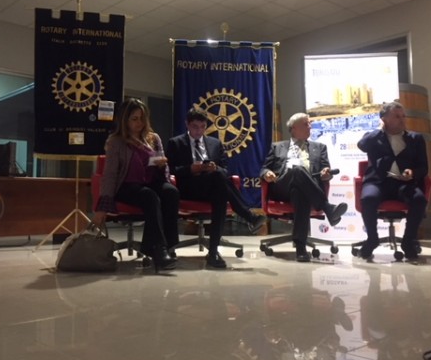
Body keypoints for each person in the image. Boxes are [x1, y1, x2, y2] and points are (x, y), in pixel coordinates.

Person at [166, 108, 266, 269]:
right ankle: (247, 215)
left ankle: (213, 252)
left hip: (211, 186)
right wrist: (191, 168)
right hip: (188, 188)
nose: (198, 131)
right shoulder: (175, 143)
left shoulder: (215, 143)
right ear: (187, 124)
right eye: (194, 127)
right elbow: (170, 170)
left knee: (219, 187)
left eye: (202, 127)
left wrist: (214, 168)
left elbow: (225, 170)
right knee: (220, 185)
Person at [95, 98, 179, 271]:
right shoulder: (116, 141)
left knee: (171, 192)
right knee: (150, 196)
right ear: (124, 120)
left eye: (142, 118)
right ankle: (159, 249)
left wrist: (162, 165)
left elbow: (164, 167)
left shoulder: (153, 138)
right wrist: (103, 205)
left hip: (151, 181)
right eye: (134, 119)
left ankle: (167, 246)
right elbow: (110, 174)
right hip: (127, 185)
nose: (139, 123)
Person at [260, 113, 347, 262]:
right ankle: (327, 208)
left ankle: (301, 248)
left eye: (309, 124)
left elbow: (325, 172)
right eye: (306, 124)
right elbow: (263, 169)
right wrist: (267, 173)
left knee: (300, 193)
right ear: (294, 128)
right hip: (282, 187)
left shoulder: (320, 148)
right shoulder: (277, 147)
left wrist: (326, 174)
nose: (310, 127)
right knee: (297, 170)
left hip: (307, 189)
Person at [357, 101, 428, 260]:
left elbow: (424, 167)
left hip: (404, 183)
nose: (402, 120)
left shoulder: (415, 138)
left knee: (419, 199)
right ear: (384, 119)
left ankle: (408, 241)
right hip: (378, 182)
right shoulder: (375, 137)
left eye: (403, 116)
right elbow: (362, 145)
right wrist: (380, 129)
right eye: (397, 116)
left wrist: (412, 173)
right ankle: (372, 239)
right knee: (368, 198)